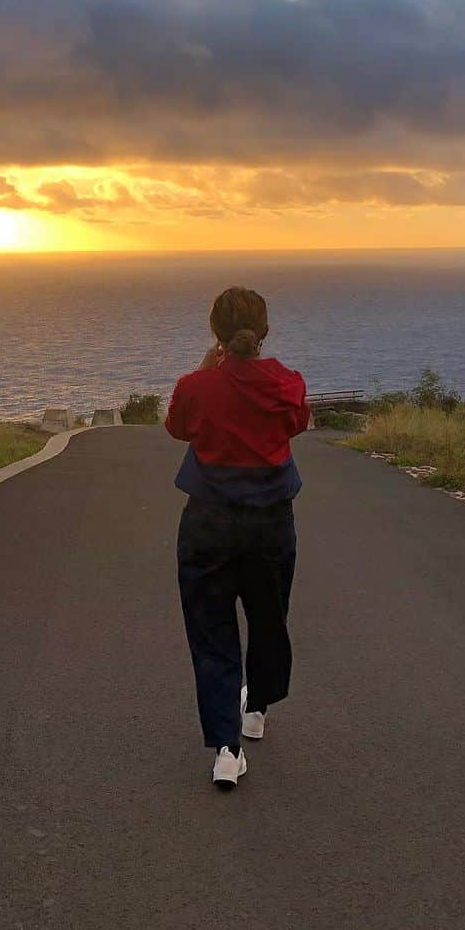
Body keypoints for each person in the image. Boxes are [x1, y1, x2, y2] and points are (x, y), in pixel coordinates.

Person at [165, 286, 311, 790]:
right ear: (264, 331)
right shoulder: (287, 383)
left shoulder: (197, 384)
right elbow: (297, 424)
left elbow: (178, 428)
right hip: (271, 521)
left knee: (212, 632)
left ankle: (227, 751)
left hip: (208, 522)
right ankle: (258, 709)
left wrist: (208, 370)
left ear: (216, 334)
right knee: (269, 617)